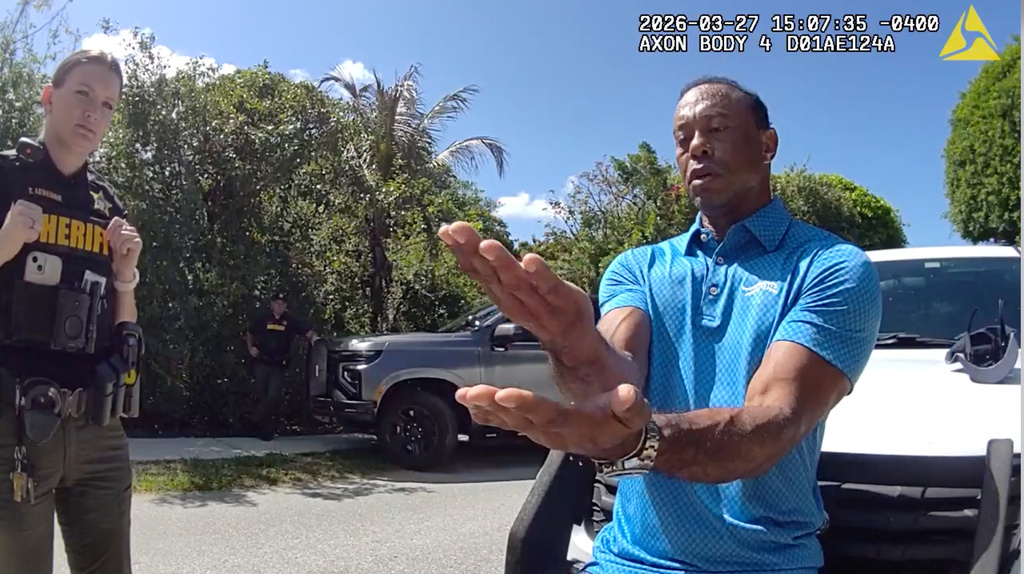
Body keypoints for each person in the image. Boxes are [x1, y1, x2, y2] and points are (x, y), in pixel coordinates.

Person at [439, 76, 882, 574]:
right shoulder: (639, 268)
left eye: (715, 128)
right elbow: (616, 382)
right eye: (681, 138)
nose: (696, 146)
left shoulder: (830, 267)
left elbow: (772, 424)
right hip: (626, 562)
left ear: (767, 144)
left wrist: (636, 442)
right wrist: (570, 344)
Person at [0, 49, 145, 574]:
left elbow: (122, 324)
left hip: (98, 429)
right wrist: (7, 240)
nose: (93, 112)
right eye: (83, 94)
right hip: (14, 423)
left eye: (107, 104)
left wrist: (126, 273)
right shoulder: (6, 178)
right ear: (48, 96)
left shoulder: (108, 207)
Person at [245, 291, 317, 441]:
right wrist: (251, 348)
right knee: (262, 396)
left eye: (283, 304)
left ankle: (256, 422)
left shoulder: (289, 321)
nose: (280, 306)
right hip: (262, 362)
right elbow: (250, 333)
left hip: (278, 364)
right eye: (277, 303)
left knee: (273, 396)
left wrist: (315, 338)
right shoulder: (262, 318)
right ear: (272, 304)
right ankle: (262, 429)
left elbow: (306, 331)